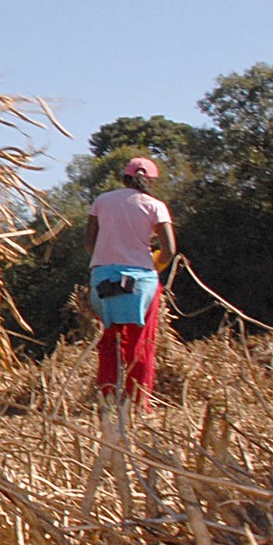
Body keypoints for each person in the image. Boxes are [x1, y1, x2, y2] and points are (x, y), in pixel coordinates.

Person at [84, 157, 177, 410]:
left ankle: (108, 400)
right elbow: (169, 250)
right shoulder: (155, 206)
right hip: (141, 281)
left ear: (124, 178)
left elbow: (90, 243)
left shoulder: (102, 201)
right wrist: (155, 263)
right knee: (141, 343)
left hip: (103, 277)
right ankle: (138, 403)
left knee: (109, 342)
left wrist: (107, 258)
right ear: (151, 181)